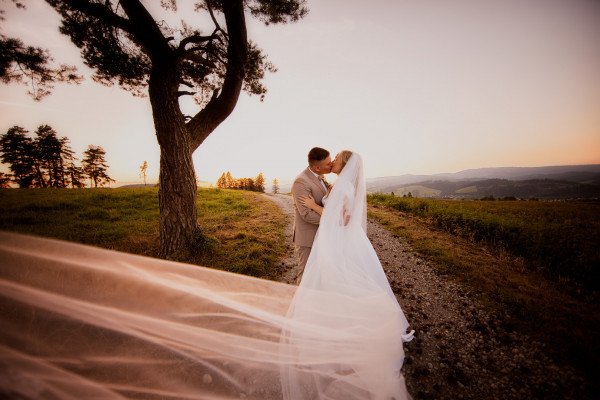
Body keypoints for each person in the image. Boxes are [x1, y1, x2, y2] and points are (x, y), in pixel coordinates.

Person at [281, 151, 414, 400]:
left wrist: (315, 206)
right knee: (318, 279)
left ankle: (326, 325)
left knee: (332, 281)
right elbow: (315, 213)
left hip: (333, 240)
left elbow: (342, 218)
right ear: (318, 167)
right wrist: (313, 207)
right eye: (330, 160)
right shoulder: (317, 182)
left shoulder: (339, 184)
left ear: (345, 164)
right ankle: (317, 321)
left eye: (337, 158)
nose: (333, 161)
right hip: (319, 240)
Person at [290, 147, 332, 283]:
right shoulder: (301, 182)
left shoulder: (320, 176)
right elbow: (306, 214)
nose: (331, 165)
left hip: (321, 235)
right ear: (317, 168)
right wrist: (332, 221)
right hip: (308, 238)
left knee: (321, 276)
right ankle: (299, 304)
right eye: (328, 163)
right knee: (307, 276)